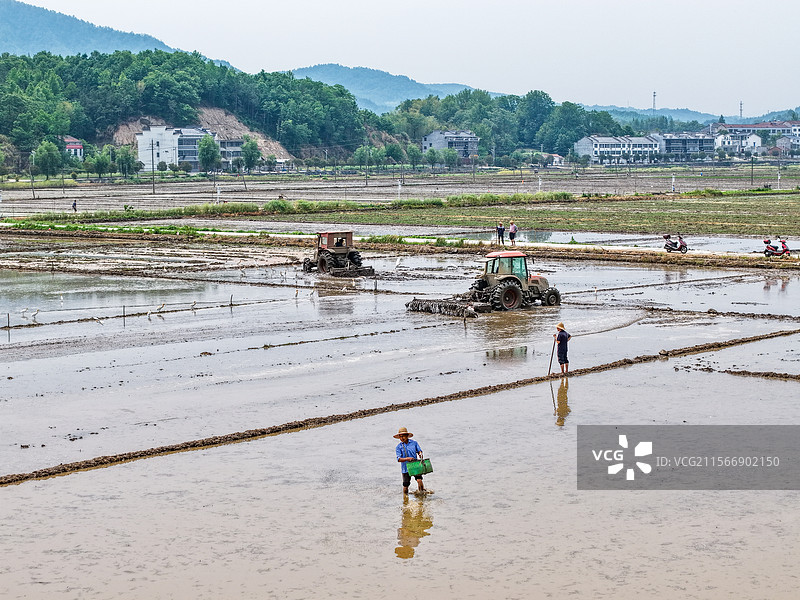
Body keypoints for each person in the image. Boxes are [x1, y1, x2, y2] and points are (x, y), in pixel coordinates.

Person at [394, 427, 425, 494]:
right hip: (405, 468)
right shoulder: (398, 447)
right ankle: (405, 499)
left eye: (403, 436)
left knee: (419, 480)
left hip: (415, 465)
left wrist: (420, 454)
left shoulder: (414, 443)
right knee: (405, 485)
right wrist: (407, 459)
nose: (401, 438)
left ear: (407, 436)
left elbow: (419, 451)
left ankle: (422, 496)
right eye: (400, 437)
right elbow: (398, 459)